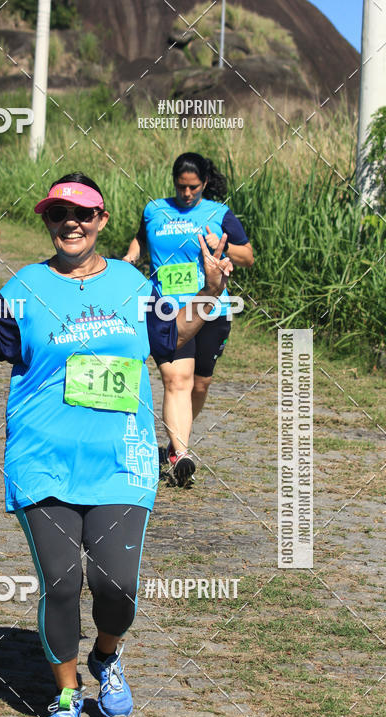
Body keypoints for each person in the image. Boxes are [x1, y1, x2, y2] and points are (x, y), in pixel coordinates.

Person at [0, 173, 232, 717]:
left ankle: (106, 656)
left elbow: (172, 337)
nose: (71, 223)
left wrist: (208, 289)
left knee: (117, 584)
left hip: (122, 457)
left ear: (102, 221)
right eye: (59, 214)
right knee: (61, 583)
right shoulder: (27, 285)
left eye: (82, 214)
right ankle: (65, 692)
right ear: (49, 223)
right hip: (43, 456)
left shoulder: (134, 284)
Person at [124, 152, 254, 486]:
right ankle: (181, 453)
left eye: (193, 187)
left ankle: (173, 443)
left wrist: (221, 248)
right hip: (166, 308)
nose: (186, 194)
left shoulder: (219, 214)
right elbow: (141, 237)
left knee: (200, 383)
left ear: (205, 183)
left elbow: (247, 255)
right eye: (181, 187)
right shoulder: (155, 209)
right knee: (176, 380)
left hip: (210, 306)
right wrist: (131, 257)